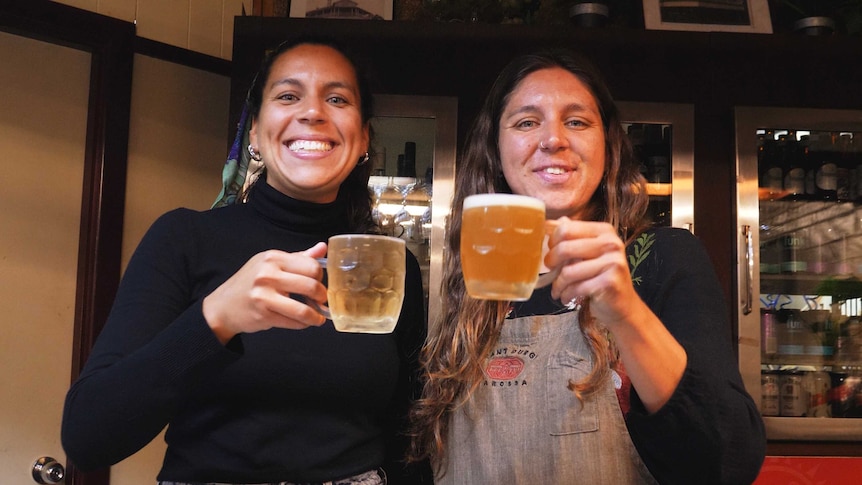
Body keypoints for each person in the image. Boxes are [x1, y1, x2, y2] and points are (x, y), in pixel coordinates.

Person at [62, 37, 431, 484]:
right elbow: (88, 437)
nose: (313, 112)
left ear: (363, 138)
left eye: (336, 99)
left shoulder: (389, 266)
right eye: (288, 96)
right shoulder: (184, 239)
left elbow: (406, 432)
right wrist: (216, 317)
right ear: (254, 132)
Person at [407, 49, 766, 484]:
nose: (553, 139)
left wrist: (627, 313)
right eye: (526, 122)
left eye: (576, 122)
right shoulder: (474, 284)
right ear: (495, 148)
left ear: (608, 145)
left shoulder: (660, 258)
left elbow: (727, 462)